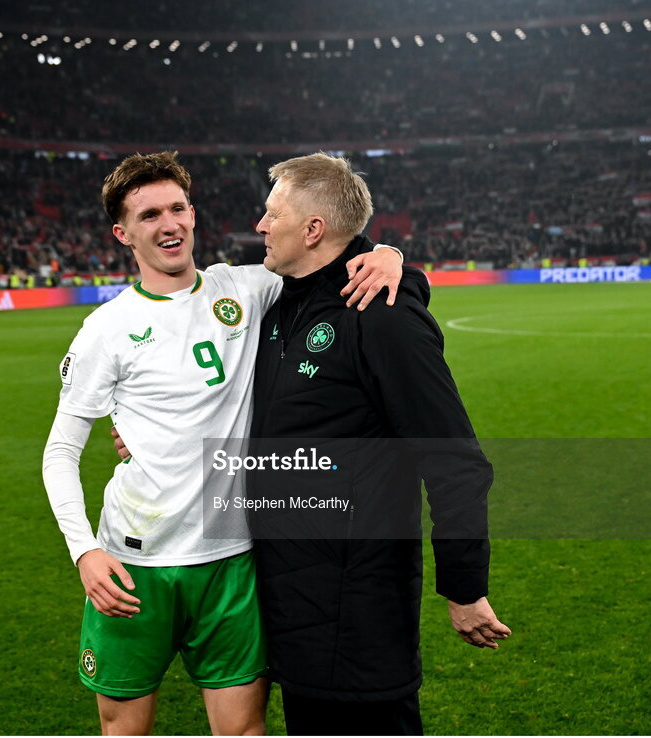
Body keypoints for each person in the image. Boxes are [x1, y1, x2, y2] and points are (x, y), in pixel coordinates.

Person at [40, 151, 405, 735]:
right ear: (123, 233)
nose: (169, 224)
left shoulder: (248, 287)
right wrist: (84, 550)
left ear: (193, 213)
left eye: (178, 207)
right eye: (150, 214)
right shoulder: (104, 329)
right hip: (137, 562)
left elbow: (330, 253)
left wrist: (389, 255)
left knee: (243, 731)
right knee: (123, 728)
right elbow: (60, 451)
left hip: (231, 559)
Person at [246, 153, 511, 735]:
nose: (259, 226)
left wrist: (464, 587)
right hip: (288, 602)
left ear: (313, 229)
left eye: (271, 214)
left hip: (356, 608)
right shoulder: (277, 303)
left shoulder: (382, 313)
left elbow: (454, 461)